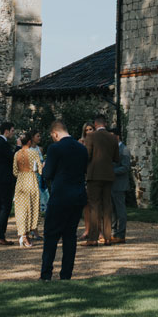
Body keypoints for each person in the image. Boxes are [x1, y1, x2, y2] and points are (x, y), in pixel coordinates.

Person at [38, 120, 89, 281]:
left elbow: (47, 174)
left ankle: (46, 274)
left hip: (60, 197)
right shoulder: (82, 149)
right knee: (70, 237)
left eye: (52, 136)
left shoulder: (55, 148)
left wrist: (45, 166)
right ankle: (66, 275)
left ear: (55, 133)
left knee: (51, 236)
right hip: (77, 197)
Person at [83, 115, 119, 246]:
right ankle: (108, 237)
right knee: (107, 206)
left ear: (95, 124)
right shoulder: (113, 138)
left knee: (94, 206)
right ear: (105, 123)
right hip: (108, 175)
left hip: (94, 175)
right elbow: (116, 158)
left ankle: (93, 238)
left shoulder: (91, 137)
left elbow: (87, 155)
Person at [13, 129, 43, 248]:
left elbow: (15, 171)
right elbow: (40, 170)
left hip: (20, 181)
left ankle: (22, 234)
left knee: (21, 208)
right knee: (32, 207)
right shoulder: (34, 153)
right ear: (29, 142)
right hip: (31, 180)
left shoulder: (17, 154)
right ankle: (26, 234)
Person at [0, 121, 17, 245]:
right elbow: (13, 158)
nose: (13, 133)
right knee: (5, 207)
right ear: (6, 131)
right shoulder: (2, 144)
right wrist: (18, 147)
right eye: (12, 130)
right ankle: (0, 235)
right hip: (5, 180)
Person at [111, 135, 133, 244]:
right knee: (113, 210)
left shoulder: (124, 149)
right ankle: (113, 233)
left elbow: (125, 167)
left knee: (120, 211)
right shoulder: (112, 149)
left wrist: (112, 171)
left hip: (120, 184)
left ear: (117, 137)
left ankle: (121, 235)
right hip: (112, 184)